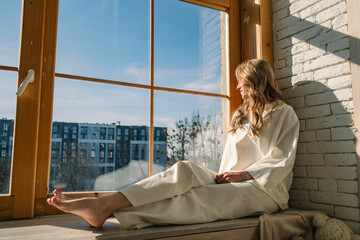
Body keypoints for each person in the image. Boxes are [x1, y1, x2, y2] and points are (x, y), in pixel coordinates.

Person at [47, 59, 300, 229]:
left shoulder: (284, 113)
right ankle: (106, 204)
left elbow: (282, 159)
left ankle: (109, 210)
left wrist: (243, 174)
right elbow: (229, 162)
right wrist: (222, 176)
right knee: (185, 170)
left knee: (201, 196)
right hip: (231, 181)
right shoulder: (240, 115)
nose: (237, 88)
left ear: (255, 81)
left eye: (241, 82)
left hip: (264, 189)